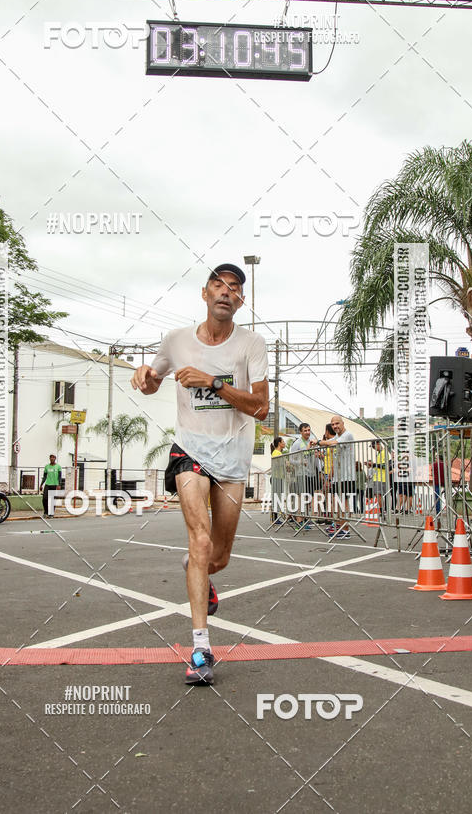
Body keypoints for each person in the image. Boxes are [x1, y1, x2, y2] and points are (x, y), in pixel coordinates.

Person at [131, 263, 269, 685]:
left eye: (234, 287)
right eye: (218, 285)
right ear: (205, 294)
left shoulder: (252, 344)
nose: (226, 292)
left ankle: (200, 572)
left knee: (218, 557)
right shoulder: (176, 340)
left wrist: (213, 383)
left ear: (241, 300)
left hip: (233, 459)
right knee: (200, 540)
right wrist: (144, 377)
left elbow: (261, 408)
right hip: (189, 450)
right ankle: (200, 648)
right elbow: (153, 381)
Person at [315, 415, 356, 539]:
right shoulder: (338, 436)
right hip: (338, 476)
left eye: (337, 423)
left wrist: (319, 442)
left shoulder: (347, 435)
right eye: (333, 424)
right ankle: (339, 526)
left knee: (343, 502)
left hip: (347, 476)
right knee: (336, 502)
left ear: (343, 423)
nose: (335, 426)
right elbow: (331, 443)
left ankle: (345, 530)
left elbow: (332, 443)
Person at [290, 423, 319, 529]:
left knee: (308, 498)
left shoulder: (312, 442)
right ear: (301, 432)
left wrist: (319, 470)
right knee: (301, 497)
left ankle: (305, 519)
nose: (307, 432)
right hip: (301, 474)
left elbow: (315, 458)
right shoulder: (297, 444)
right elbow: (291, 459)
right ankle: (299, 522)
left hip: (311, 474)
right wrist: (301, 462)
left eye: (308, 430)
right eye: (305, 430)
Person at [270, 437, 286, 525]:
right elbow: (276, 465)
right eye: (283, 441)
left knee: (278, 497)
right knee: (276, 497)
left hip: (278, 477)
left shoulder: (279, 453)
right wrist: (284, 464)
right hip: (276, 477)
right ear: (279, 443)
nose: (284, 443)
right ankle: (274, 518)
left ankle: (275, 517)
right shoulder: (276, 453)